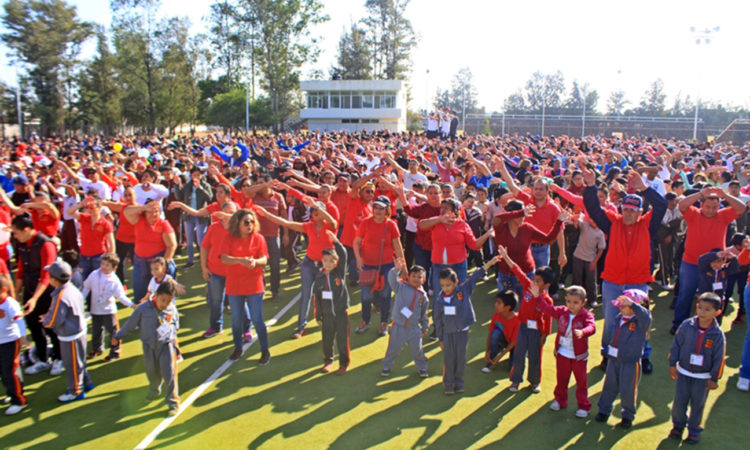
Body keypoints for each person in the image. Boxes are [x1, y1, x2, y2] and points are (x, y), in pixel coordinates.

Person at [583, 167, 666, 374]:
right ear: (622, 209)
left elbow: (661, 204)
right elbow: (593, 208)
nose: (628, 213)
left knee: (641, 320)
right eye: (626, 209)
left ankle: (643, 355)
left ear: (640, 212)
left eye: (633, 210)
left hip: (638, 282)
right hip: (612, 281)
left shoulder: (648, 224)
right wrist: (592, 186)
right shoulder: (613, 222)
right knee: (612, 321)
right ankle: (607, 354)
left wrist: (644, 188)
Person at [255, 196, 337, 338]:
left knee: (326, 294)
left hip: (327, 266)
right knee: (306, 295)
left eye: (319, 212)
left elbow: (332, 220)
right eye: (314, 212)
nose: (316, 214)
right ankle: (301, 327)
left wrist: (317, 207)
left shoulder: (330, 226)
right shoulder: (308, 226)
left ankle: (327, 318)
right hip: (309, 263)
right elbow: (286, 222)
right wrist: (266, 214)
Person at [672, 187, 745, 334]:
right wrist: (700, 194)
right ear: (701, 205)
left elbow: (741, 207)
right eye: (708, 207)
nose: (711, 210)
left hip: (715, 266)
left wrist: (724, 195)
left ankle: (710, 328)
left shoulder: (723, 215)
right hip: (691, 263)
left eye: (714, 207)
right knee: (685, 295)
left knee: (714, 298)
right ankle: (679, 325)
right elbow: (682, 205)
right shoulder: (694, 214)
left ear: (719, 206)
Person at [113, 280, 180, 416]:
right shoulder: (143, 309)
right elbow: (130, 324)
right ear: (156, 294)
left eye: (168, 301)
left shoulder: (171, 309)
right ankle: (154, 389)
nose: (165, 304)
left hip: (166, 345)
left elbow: (175, 324)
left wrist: (174, 342)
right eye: (163, 300)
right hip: (149, 346)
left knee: (169, 373)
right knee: (151, 370)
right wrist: (118, 336)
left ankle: (173, 402)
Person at [434, 257, 499, 395]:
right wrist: (441, 338)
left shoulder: (463, 291)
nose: (446, 289)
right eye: (443, 286)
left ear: (456, 282)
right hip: (448, 333)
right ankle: (449, 384)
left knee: (461, 358)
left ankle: (459, 382)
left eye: (448, 285)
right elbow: (438, 320)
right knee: (449, 358)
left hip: (462, 332)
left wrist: (488, 264)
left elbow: (474, 277)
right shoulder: (440, 300)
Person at [668, 292, 726, 444]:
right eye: (700, 307)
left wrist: (714, 378)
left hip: (703, 378)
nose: (702, 312)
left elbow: (719, 358)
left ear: (717, 312)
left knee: (697, 405)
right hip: (684, 372)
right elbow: (676, 346)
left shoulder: (718, 335)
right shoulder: (687, 325)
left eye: (707, 309)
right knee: (679, 403)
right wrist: (673, 364)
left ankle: (694, 430)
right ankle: (677, 426)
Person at [497, 245, 553, 393]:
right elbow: (517, 270)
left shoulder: (547, 301)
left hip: (536, 332)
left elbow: (548, 319)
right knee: (519, 354)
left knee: (535, 357)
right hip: (522, 327)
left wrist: (545, 334)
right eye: (534, 279)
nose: (534, 282)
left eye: (539, 281)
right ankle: (515, 381)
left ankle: (534, 382)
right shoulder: (527, 285)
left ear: (547, 285)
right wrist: (505, 256)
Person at [11, 215, 62, 376]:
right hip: (30, 290)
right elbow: (21, 269)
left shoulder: (46, 244)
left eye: (16, 232)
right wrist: (17, 292)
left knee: (51, 326)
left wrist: (34, 298)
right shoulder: (22, 244)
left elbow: (46, 275)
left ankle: (60, 358)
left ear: (26, 230)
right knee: (33, 325)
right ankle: (42, 358)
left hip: (46, 293)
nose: (14, 236)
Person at [595, 289, 652, 429]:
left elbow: (647, 316)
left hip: (630, 363)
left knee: (627, 390)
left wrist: (633, 305)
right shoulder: (619, 317)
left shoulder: (641, 322)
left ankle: (627, 415)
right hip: (614, 359)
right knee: (609, 386)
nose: (620, 308)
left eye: (624, 305)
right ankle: (604, 410)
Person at [219, 209, 271, 365]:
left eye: (252, 222)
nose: (250, 225)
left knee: (257, 319)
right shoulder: (229, 238)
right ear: (237, 224)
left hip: (254, 284)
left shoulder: (259, 238)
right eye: (246, 222)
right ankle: (238, 347)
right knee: (236, 320)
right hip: (234, 285)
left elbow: (264, 259)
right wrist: (240, 260)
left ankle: (265, 350)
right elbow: (224, 258)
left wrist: (255, 262)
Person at [537, 285, 596, 418]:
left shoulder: (587, 315)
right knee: (562, 379)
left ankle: (583, 406)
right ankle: (560, 400)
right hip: (563, 353)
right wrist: (537, 296)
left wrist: (583, 332)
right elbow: (547, 308)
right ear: (565, 300)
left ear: (583, 303)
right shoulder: (562, 311)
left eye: (576, 302)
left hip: (579, 356)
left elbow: (592, 327)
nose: (571, 305)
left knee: (581, 382)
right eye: (569, 301)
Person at [41, 260, 94, 403]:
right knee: (80, 361)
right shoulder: (72, 289)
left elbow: (55, 320)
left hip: (70, 335)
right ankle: (86, 382)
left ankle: (76, 391)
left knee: (72, 365)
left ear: (54, 279)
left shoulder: (60, 296)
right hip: (79, 330)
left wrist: (46, 321)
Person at [492, 200, 566, 299]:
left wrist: (559, 222)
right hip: (506, 275)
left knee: (527, 306)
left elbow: (549, 240)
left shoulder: (527, 229)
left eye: (525, 213)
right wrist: (521, 212)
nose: (524, 216)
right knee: (508, 309)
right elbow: (497, 219)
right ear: (512, 214)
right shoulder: (501, 228)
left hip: (526, 274)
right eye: (522, 213)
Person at [353, 195, 404, 335]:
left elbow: (398, 247)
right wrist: (358, 258)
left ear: (387, 209)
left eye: (381, 208)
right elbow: (356, 242)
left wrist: (403, 267)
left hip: (387, 266)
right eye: (375, 207)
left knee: (385, 295)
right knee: (365, 297)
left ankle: (384, 323)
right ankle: (365, 321)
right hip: (367, 266)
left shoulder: (391, 225)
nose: (378, 210)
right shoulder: (366, 223)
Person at [381, 258, 429, 378]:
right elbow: (391, 280)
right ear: (408, 276)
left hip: (414, 328)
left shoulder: (423, 296)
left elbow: (423, 313)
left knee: (417, 350)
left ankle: (422, 368)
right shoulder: (401, 286)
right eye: (414, 276)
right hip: (398, 326)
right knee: (393, 349)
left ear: (423, 280)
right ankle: (387, 367)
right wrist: (396, 269)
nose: (416, 279)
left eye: (419, 277)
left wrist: (425, 326)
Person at [81, 253, 134, 361]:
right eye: (102, 263)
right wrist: (80, 301)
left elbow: (121, 296)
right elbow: (86, 288)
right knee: (96, 331)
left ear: (114, 268)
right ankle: (97, 349)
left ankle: (115, 351)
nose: (103, 266)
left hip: (109, 311)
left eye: (107, 265)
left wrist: (132, 305)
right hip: (95, 310)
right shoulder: (94, 274)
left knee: (113, 332)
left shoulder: (114, 280)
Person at [123, 199, 177, 303]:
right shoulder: (138, 220)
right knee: (140, 295)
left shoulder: (163, 224)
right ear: (145, 212)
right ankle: (142, 317)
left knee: (163, 295)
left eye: (156, 211)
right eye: (151, 211)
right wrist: (143, 207)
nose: (154, 214)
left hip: (158, 263)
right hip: (140, 263)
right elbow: (126, 211)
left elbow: (171, 245)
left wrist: (163, 266)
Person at [312, 232, 350, 375]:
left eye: (331, 261)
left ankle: (343, 364)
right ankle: (328, 361)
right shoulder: (319, 278)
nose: (328, 263)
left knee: (342, 339)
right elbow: (317, 299)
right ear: (322, 261)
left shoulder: (339, 274)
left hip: (340, 313)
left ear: (336, 262)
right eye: (325, 260)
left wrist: (337, 242)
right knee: (327, 339)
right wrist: (318, 316)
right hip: (327, 315)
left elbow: (344, 255)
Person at [66, 193, 115, 281]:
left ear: (99, 208)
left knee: (99, 281)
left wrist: (111, 260)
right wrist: (81, 204)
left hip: (99, 256)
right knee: (84, 281)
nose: (89, 210)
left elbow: (111, 243)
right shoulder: (84, 218)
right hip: (84, 256)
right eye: (87, 208)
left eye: (92, 208)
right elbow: (69, 212)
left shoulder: (105, 223)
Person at [0, 274, 28, 415]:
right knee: (3, 372)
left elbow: (19, 320)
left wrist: (23, 337)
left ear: (3, 289)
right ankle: (11, 393)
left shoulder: (10, 304)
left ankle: (20, 400)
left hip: (10, 342)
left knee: (10, 371)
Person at [176, 166, 213, 269]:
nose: (196, 177)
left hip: (201, 215)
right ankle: (190, 260)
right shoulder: (188, 186)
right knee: (189, 239)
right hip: (189, 215)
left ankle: (204, 261)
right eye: (194, 175)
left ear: (201, 175)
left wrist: (200, 188)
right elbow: (179, 197)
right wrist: (177, 185)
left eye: (198, 175)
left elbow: (209, 198)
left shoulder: (205, 185)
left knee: (201, 240)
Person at [102, 187, 137, 286]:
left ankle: (138, 283)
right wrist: (100, 202)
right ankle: (120, 284)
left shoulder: (140, 208)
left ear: (135, 195)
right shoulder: (122, 207)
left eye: (130, 195)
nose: (128, 197)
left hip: (134, 241)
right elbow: (109, 204)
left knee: (136, 264)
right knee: (118, 262)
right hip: (121, 239)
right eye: (126, 195)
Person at [481, 290, 519, 373]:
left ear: (507, 307)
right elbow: (490, 334)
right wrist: (487, 352)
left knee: (512, 369)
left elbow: (514, 342)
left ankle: (517, 356)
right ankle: (491, 361)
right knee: (495, 333)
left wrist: (500, 357)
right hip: (505, 340)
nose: (495, 305)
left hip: (517, 345)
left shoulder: (518, 320)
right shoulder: (496, 315)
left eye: (499, 303)